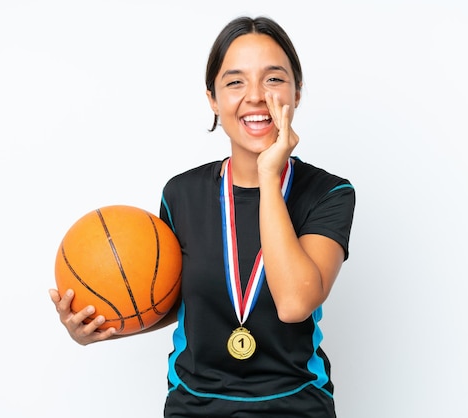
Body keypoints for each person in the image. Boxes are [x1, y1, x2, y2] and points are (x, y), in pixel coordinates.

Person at [50, 15, 355, 417]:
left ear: (297, 92)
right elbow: (179, 300)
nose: (256, 96)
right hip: (194, 406)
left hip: (296, 405)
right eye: (235, 82)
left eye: (273, 79)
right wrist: (104, 324)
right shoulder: (180, 194)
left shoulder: (329, 193)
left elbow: (294, 303)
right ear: (212, 98)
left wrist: (268, 173)